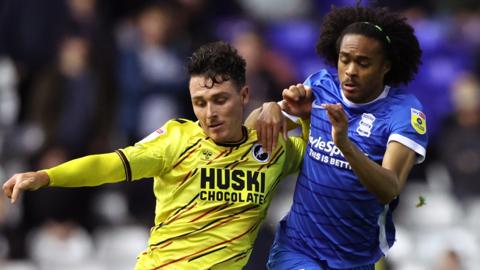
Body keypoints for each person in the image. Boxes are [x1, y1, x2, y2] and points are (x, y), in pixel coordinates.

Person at [2, 41, 306, 269]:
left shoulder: (270, 149)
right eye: (199, 102)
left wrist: (292, 112)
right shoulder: (176, 139)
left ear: (244, 96)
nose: (209, 113)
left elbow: (324, 153)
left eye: (220, 99)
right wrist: (47, 176)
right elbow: (110, 164)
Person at [247, 5, 428, 270]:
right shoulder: (320, 86)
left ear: (385, 66)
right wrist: (270, 108)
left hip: (357, 257)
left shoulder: (403, 113)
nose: (351, 70)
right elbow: (248, 134)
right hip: (298, 248)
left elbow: (388, 189)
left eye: (363, 63)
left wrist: (344, 143)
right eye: (345, 59)